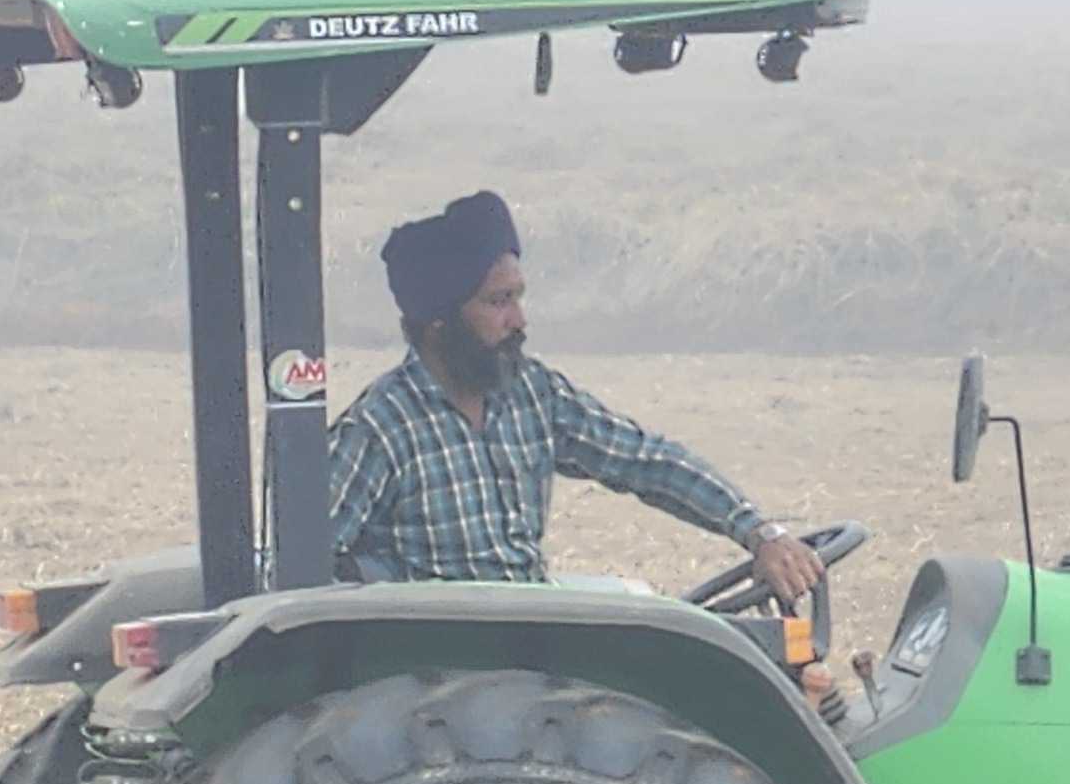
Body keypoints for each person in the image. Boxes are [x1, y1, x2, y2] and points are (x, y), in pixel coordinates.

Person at [327, 186, 821, 603]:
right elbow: (308, 567)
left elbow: (643, 461)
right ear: (438, 321)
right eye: (498, 302)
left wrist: (756, 531)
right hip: (443, 664)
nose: (519, 320)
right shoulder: (379, 428)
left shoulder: (531, 393)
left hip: (534, 634)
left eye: (518, 297)